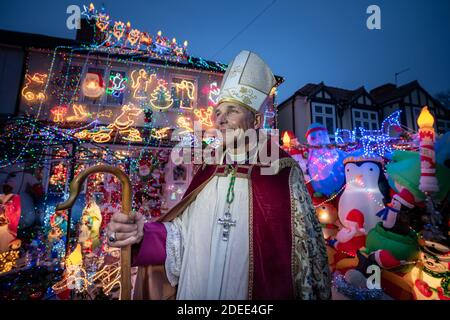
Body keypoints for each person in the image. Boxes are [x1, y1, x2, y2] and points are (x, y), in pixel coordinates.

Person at [106, 50, 331, 300]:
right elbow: (182, 241)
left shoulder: (282, 173)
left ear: (256, 120)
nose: (221, 119)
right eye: (218, 112)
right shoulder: (208, 169)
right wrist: (142, 235)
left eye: (232, 110)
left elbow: (304, 263)